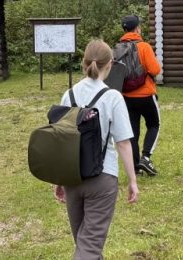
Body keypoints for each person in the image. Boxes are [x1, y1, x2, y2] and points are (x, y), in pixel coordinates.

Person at [53, 39, 139, 260]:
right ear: (110, 64)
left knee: (86, 243)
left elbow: (61, 139)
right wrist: (132, 180)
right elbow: (123, 142)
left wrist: (59, 179)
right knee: (89, 247)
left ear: (84, 63)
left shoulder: (69, 95)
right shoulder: (113, 97)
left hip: (72, 177)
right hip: (102, 178)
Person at [117, 15, 163, 176]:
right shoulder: (144, 46)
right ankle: (146, 157)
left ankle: (136, 167)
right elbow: (155, 70)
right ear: (137, 29)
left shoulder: (117, 48)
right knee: (154, 124)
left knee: (132, 131)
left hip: (126, 96)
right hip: (146, 94)